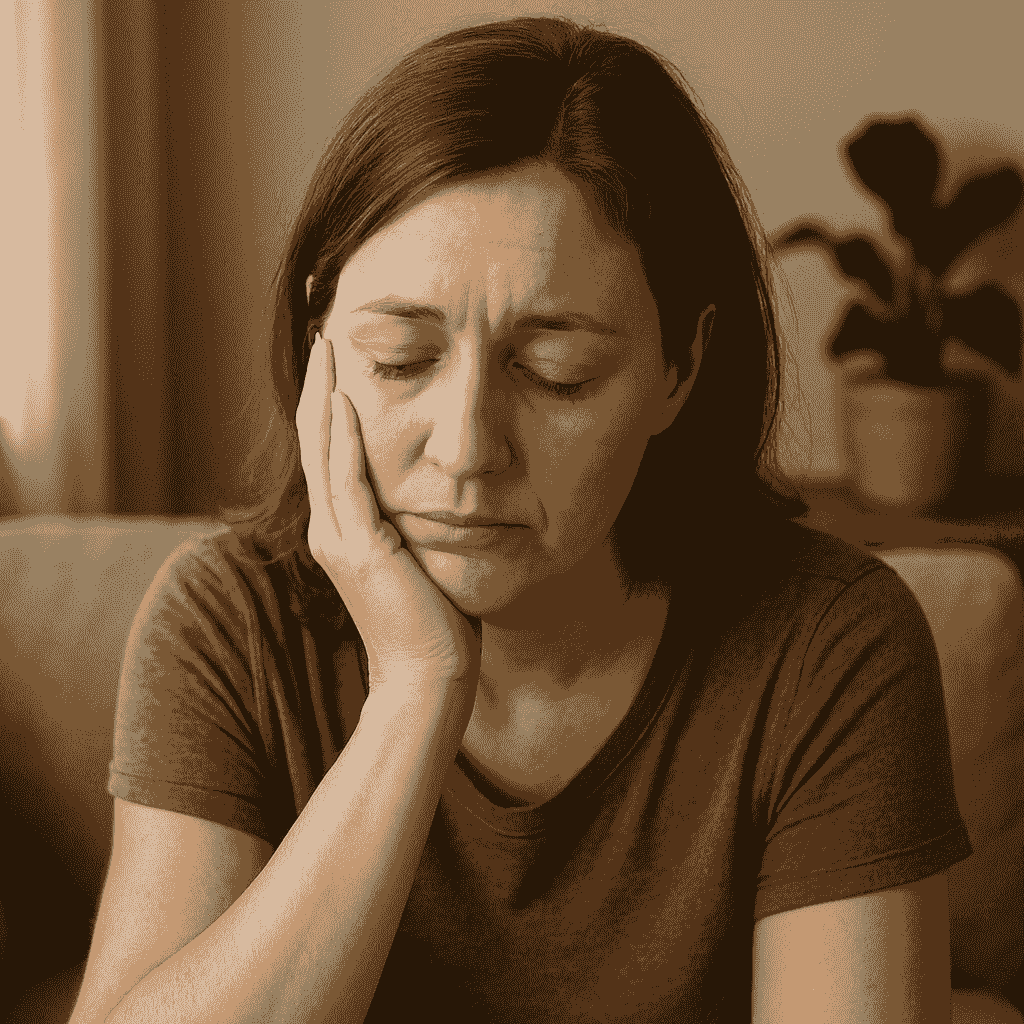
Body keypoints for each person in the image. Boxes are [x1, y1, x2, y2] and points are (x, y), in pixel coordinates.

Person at [70, 15, 970, 1024]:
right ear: (320, 339)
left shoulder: (829, 646)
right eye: (401, 359)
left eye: (556, 373)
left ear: (680, 367)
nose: (465, 448)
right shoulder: (230, 621)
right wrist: (416, 693)